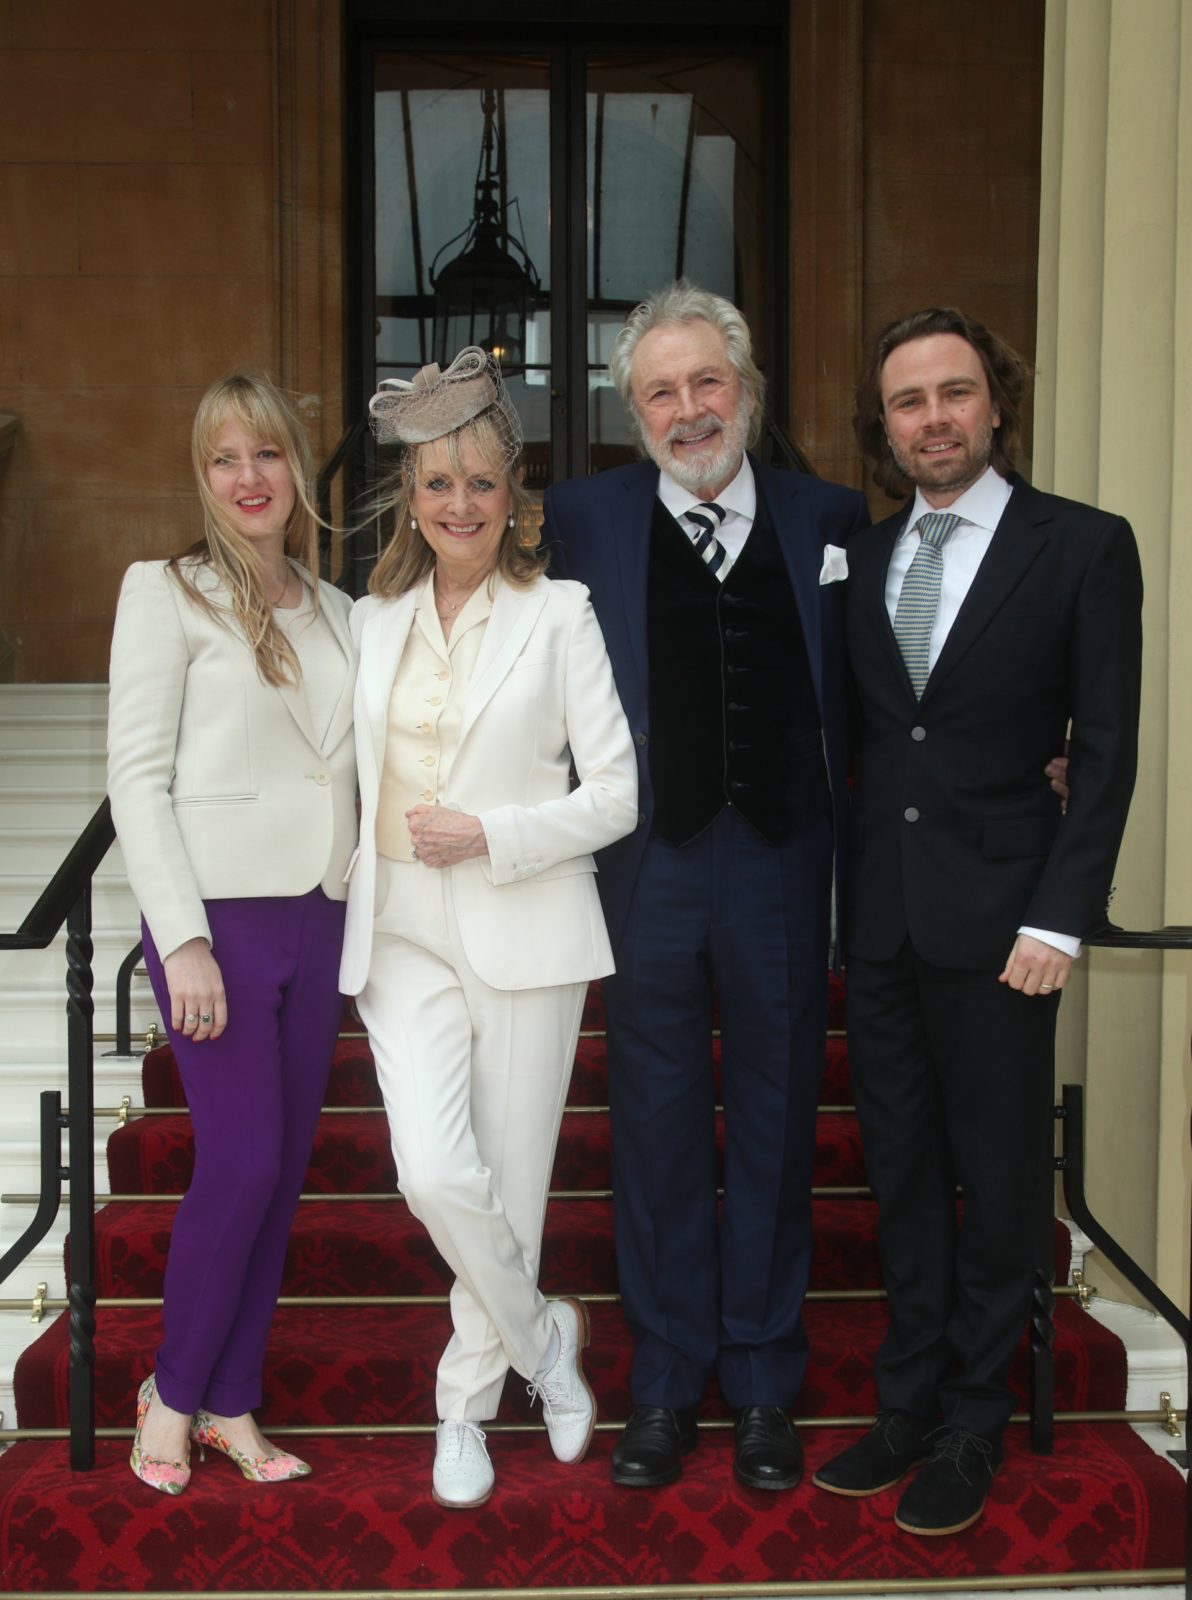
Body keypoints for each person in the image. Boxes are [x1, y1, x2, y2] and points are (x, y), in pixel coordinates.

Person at [812, 308, 1143, 1535]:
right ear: (885, 425)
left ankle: (970, 1419)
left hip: (1009, 928)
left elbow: (1104, 750)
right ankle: (904, 1405)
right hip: (885, 926)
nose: (933, 418)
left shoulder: (1083, 547)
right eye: (908, 402)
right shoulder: (865, 551)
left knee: (999, 1185)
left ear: (995, 404)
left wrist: (1061, 915)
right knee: (900, 1174)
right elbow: (874, 734)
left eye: (954, 393)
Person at [541, 281, 870, 1491]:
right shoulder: (580, 516)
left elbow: (883, 677)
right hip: (648, 869)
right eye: (661, 392)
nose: (689, 410)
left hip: (785, 862)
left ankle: (767, 1380)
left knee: (780, 1125)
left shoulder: (828, 512)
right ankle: (669, 1382)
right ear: (635, 412)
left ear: (746, 390)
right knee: (659, 1131)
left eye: (706, 383)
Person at [338, 348, 638, 1509]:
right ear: (409, 499)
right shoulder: (367, 623)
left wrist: (495, 832)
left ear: (514, 493)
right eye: (434, 484)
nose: (457, 504)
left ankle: (461, 1405)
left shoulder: (560, 614)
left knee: (508, 1186)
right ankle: (544, 1342)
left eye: (478, 481)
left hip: (526, 925)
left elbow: (614, 796)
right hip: (401, 927)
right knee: (431, 1171)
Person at [108, 373, 358, 1493]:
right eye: (225, 459)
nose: (248, 477)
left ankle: (231, 1401)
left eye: (266, 454)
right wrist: (184, 937)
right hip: (215, 926)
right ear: (202, 476)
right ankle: (169, 1389)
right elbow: (136, 778)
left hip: (323, 915)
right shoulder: (166, 593)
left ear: (298, 468)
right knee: (241, 1159)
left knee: (284, 1170)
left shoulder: (343, 609)